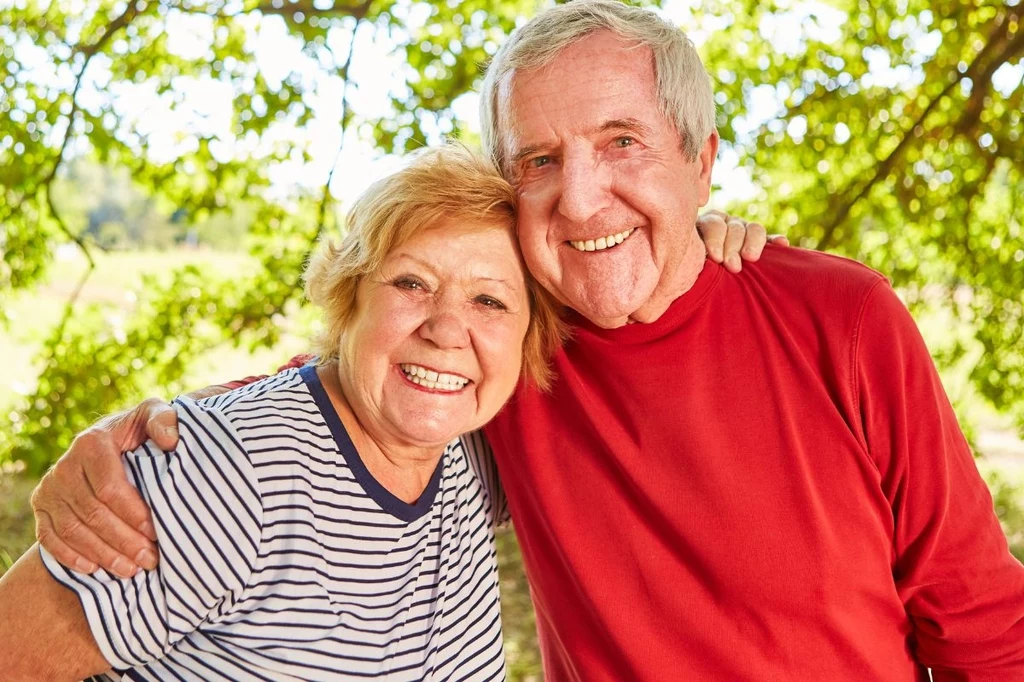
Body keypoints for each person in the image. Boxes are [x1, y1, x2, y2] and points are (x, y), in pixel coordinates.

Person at [38, 1, 1023, 680]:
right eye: (541, 160)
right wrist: (146, 436)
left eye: (620, 142)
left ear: (701, 160)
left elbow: (976, 618)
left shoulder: (840, 316)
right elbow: (360, 395)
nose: (580, 194)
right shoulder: (516, 355)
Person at [0, 144, 570, 679]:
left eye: (489, 300)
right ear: (349, 298)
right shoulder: (225, 471)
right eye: (411, 283)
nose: (446, 329)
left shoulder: (479, 457)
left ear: (526, 337)